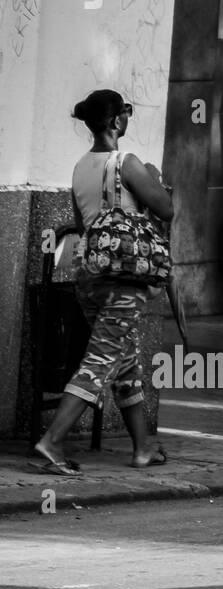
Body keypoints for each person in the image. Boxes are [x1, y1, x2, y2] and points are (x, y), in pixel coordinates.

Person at [31, 89, 173, 477]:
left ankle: (143, 446)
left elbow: (81, 224)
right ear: (115, 121)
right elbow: (166, 208)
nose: (128, 117)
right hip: (123, 282)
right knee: (98, 362)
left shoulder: (80, 166)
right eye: (126, 111)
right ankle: (52, 441)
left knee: (122, 362)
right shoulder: (126, 163)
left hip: (88, 277)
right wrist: (154, 178)